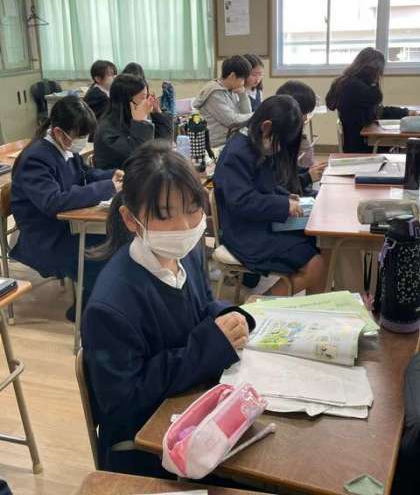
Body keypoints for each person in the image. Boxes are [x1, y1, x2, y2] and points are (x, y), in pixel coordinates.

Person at [82, 140, 254, 475]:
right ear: (130, 220)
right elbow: (124, 400)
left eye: (193, 208)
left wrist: (227, 317)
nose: (185, 226)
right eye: (164, 215)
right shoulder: (110, 306)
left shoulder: (185, 254)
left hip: (195, 410)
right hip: (148, 444)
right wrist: (210, 345)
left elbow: (201, 305)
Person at [11, 96, 122, 319]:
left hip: (66, 225)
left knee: (116, 238)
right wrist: (107, 188)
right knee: (101, 251)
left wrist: (112, 176)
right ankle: (87, 311)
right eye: (79, 136)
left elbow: (84, 175)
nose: (82, 141)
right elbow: (53, 202)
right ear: (58, 132)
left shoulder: (64, 148)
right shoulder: (36, 158)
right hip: (45, 236)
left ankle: (96, 301)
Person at [213, 95, 327, 296]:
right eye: (280, 141)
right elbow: (242, 201)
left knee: (319, 243)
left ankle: (314, 306)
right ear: (266, 127)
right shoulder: (237, 153)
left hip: (259, 224)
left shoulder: (255, 146)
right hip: (244, 234)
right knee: (315, 264)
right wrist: (283, 205)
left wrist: (287, 197)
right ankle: (257, 307)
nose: (280, 148)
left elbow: (267, 186)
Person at [325, 47, 417, 153]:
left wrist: (406, 112)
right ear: (373, 70)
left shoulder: (343, 81)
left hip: (354, 140)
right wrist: (375, 84)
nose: (379, 75)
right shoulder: (357, 87)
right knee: (408, 145)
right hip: (361, 144)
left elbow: (378, 111)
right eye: (379, 72)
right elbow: (378, 106)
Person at [94, 74, 173, 170]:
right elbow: (140, 159)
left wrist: (158, 114)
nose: (148, 102)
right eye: (143, 98)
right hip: (121, 177)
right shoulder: (107, 130)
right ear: (127, 102)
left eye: (147, 96)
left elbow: (164, 147)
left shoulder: (133, 119)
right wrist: (140, 123)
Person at [192, 55, 252, 148]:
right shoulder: (215, 93)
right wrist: (255, 115)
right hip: (215, 146)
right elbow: (232, 121)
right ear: (232, 76)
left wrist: (243, 95)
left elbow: (246, 114)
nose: (243, 83)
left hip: (229, 141)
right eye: (242, 79)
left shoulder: (231, 89)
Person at [276, 81, 327, 189]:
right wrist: (308, 177)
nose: (305, 119)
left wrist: (308, 170)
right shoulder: (275, 140)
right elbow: (277, 187)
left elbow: (290, 170)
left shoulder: (290, 134)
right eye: (303, 113)